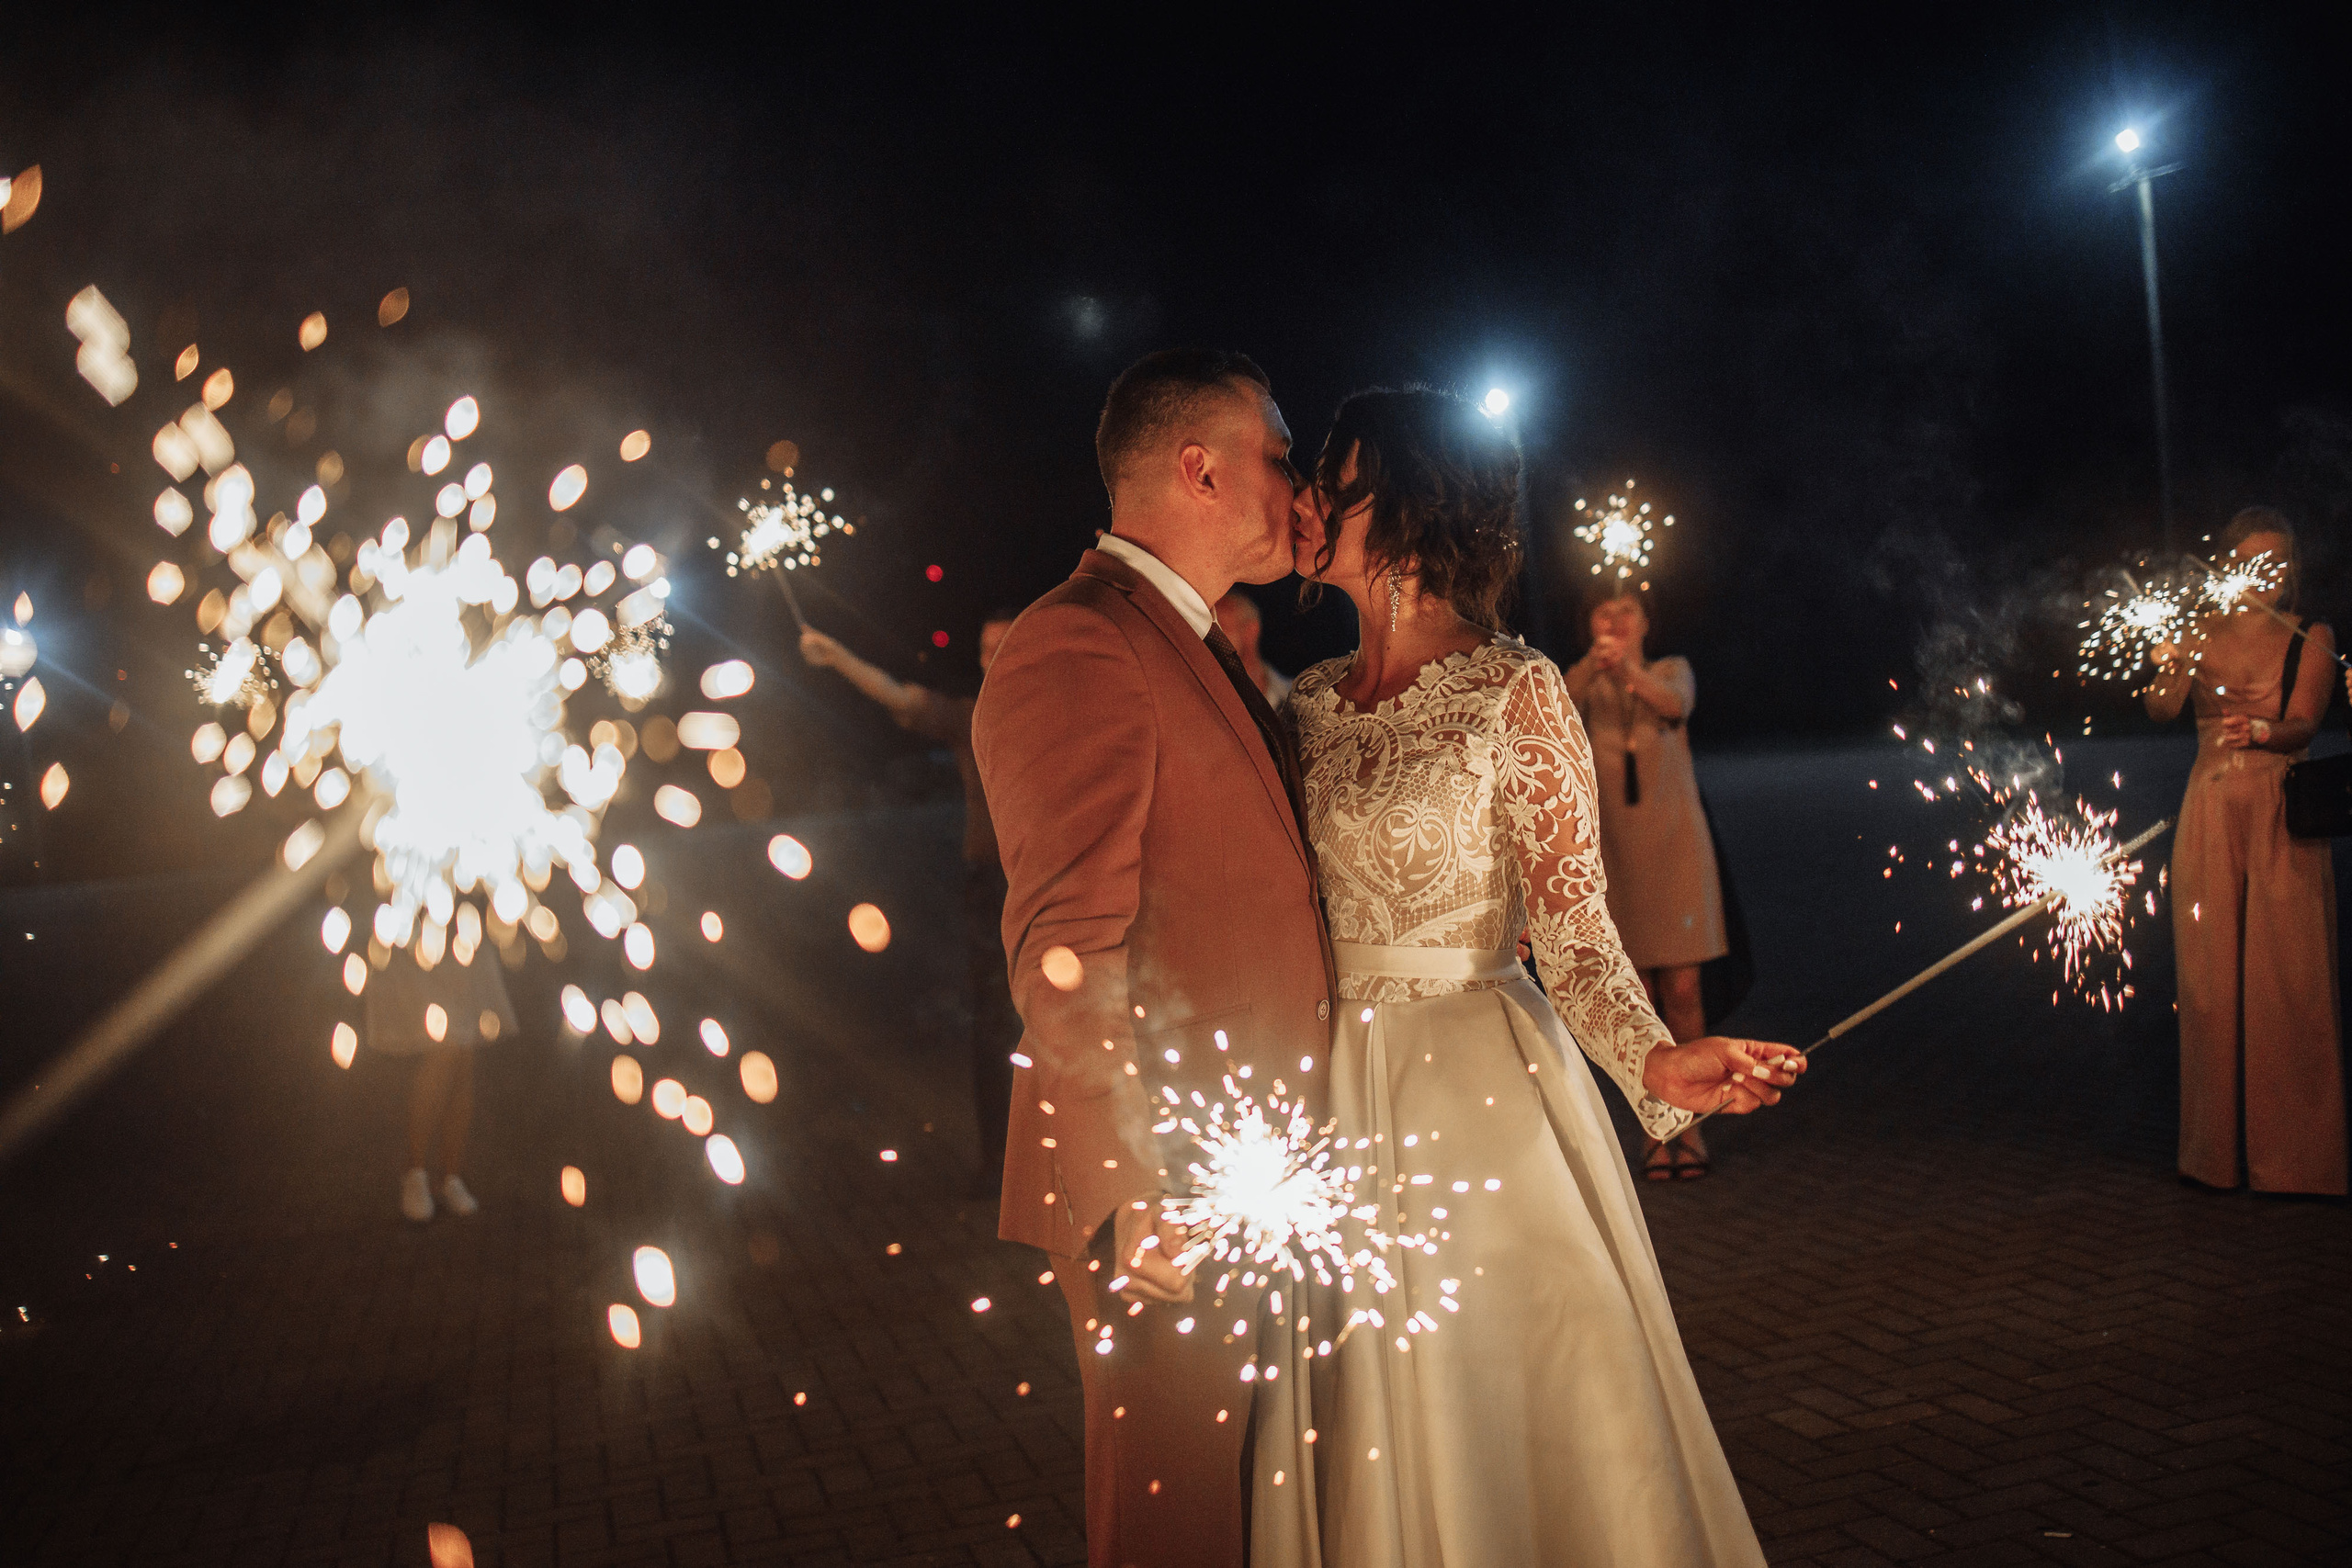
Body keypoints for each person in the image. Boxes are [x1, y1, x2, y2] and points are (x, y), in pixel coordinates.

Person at [1284, 385, 1799, 1567]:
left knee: (1505, 1405)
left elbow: (1575, 938)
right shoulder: (1304, 705)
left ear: (1407, 516)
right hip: (1325, 1097)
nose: (1311, 499)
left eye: (1339, 480)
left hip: (1472, 1093)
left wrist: (1658, 1063)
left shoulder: (1515, 692)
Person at [972, 348, 1334, 1568]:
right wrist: (1131, 1184)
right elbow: (1063, 947)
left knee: (1243, 1513)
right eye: (1280, 456)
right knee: (1177, 1526)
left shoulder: (1185, 638)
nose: (1299, 483)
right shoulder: (1076, 643)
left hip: (1245, 1162)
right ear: (1200, 466)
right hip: (1168, 1182)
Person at [2146, 508, 2343, 1195]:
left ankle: (2296, 1160)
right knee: (2210, 986)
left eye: (2279, 563)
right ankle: (2213, 1155)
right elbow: (2162, 709)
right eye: (2256, 562)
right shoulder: (2200, 631)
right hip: (2210, 812)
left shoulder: (2310, 635)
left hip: (2282, 813)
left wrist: (2263, 729)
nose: (2269, 575)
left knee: (2286, 982)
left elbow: (2305, 723)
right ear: (2231, 565)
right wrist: (2166, 666)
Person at [801, 613, 1022, 1191]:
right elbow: (899, 697)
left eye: (1003, 645)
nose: (989, 657)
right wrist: (840, 657)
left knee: (1050, 1025)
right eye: (984, 646)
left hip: (1044, 886)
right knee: (994, 1026)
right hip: (988, 886)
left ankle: (1061, 1166)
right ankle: (1001, 1167)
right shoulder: (968, 714)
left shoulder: (1050, 706)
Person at [1564, 588, 1731, 1180]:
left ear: (1646, 624)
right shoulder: (1583, 681)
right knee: (1640, 1001)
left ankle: (1694, 1128)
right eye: (1602, 613)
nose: (1613, 621)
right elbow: (1557, 703)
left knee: (1683, 993)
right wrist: (1594, 664)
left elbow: (1673, 706)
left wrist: (1628, 669)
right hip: (1615, 855)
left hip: (1674, 847)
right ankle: (1657, 1128)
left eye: (1625, 613)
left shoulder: (1667, 670)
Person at [368, 943, 516, 1223]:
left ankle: (450, 1175)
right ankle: (415, 1170)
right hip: (424, 940)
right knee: (445, 1048)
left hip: (463, 937)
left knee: (464, 1057)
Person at [1215, 589, 1294, 707]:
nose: (1208, 638)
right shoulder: (1199, 703)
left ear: (1250, 631)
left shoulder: (1300, 701)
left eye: (1220, 628)